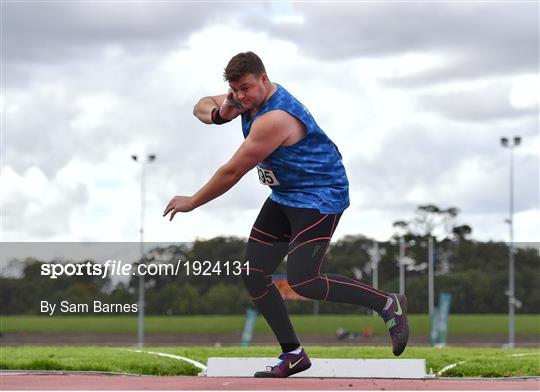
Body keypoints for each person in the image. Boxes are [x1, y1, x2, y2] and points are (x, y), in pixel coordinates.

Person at [163, 51, 409, 378]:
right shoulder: (244, 99)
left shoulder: (273, 119)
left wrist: (193, 201)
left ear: (264, 79)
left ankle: (386, 303)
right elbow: (200, 106)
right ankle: (293, 354)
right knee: (254, 272)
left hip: (320, 195)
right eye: (235, 89)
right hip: (285, 195)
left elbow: (232, 172)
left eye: (246, 88)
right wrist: (221, 113)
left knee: (303, 280)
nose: (240, 96)